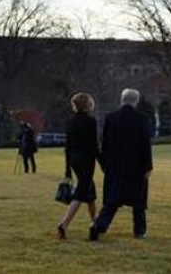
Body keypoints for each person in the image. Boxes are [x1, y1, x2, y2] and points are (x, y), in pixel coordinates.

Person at [90, 88, 153, 241]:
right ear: (135, 101)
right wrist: (148, 166)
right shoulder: (142, 118)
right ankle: (139, 231)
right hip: (136, 165)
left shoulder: (111, 118)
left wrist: (104, 164)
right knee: (138, 201)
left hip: (114, 165)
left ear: (122, 100)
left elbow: (104, 143)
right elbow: (145, 143)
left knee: (113, 199)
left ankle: (99, 226)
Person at [56, 92, 100, 240]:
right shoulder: (90, 121)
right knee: (81, 192)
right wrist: (102, 163)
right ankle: (64, 223)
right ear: (87, 104)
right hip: (87, 161)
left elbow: (67, 147)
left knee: (90, 191)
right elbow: (94, 146)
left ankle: (96, 223)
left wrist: (67, 169)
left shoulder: (70, 122)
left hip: (75, 160)